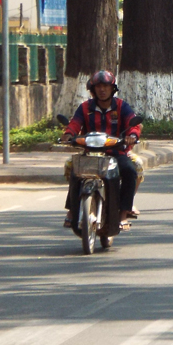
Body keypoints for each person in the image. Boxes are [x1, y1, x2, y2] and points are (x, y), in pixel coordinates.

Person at [61, 71, 142, 229]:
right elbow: (75, 123)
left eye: (106, 86)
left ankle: (123, 214)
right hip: (90, 154)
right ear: (93, 89)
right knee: (73, 168)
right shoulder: (85, 107)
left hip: (116, 153)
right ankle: (71, 211)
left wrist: (132, 135)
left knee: (131, 171)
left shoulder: (121, 106)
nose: (102, 90)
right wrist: (69, 134)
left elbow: (133, 125)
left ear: (112, 89)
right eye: (98, 86)